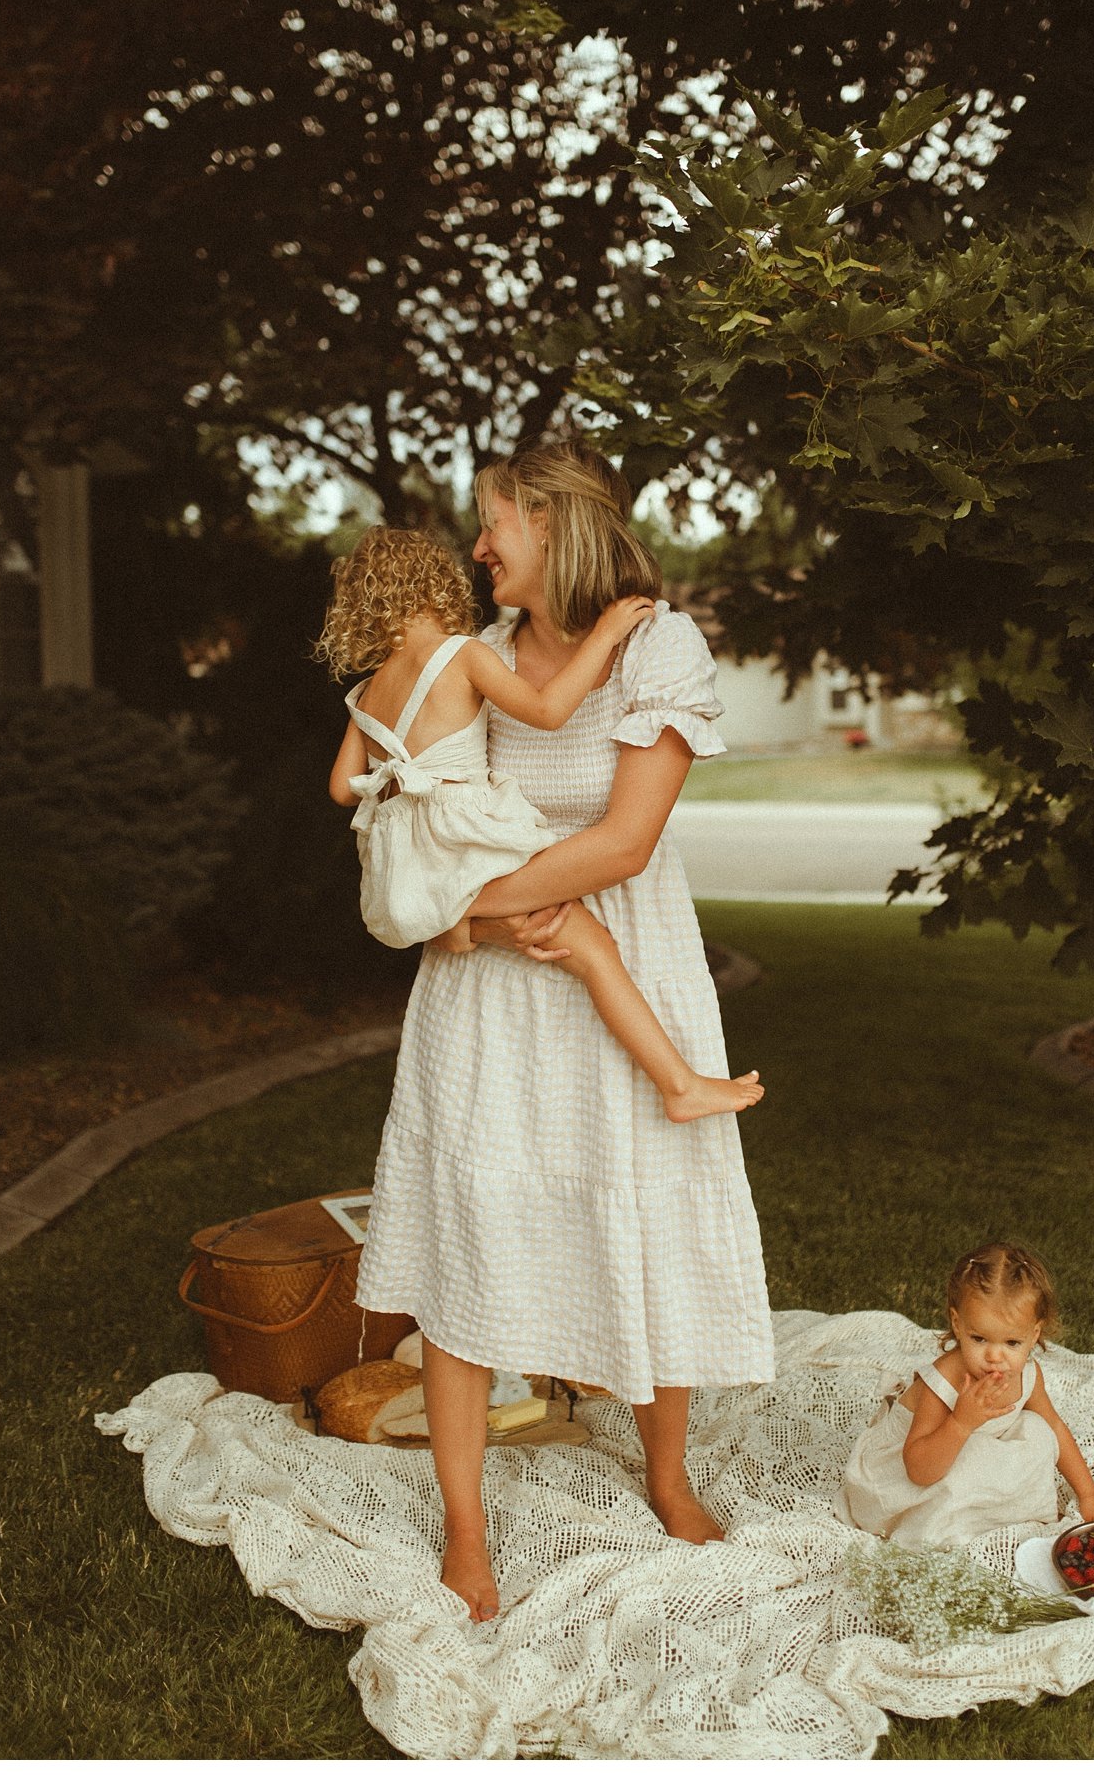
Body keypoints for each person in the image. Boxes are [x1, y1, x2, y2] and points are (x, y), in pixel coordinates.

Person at [351, 440, 777, 1621]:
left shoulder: (657, 646)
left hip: (617, 946)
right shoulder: (472, 658)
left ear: (552, 522)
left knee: (646, 1200)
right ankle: (466, 1529)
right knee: (466, 1228)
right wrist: (462, 914)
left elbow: (627, 840)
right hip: (485, 982)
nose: (477, 546)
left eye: (494, 524)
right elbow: (413, 813)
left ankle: (666, 1472)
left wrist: (466, 904)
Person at [319, 525, 765, 1126]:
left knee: (532, 936)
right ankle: (679, 1083)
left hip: (413, 855)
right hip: (465, 840)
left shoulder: (367, 691)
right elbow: (549, 711)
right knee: (594, 950)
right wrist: (604, 635)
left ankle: (458, 922)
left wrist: (406, 774)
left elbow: (344, 789)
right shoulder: (466, 653)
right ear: (434, 586)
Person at [841, 1240, 1094, 1547]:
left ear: (1033, 1335)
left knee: (1039, 1432)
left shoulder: (1028, 1376)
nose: (995, 1357)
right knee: (964, 1464)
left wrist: (1088, 1497)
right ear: (958, 1324)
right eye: (979, 1338)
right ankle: (950, 1527)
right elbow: (918, 1471)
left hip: (972, 1449)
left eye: (1012, 1343)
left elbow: (1057, 1429)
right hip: (916, 1467)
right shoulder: (943, 1382)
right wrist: (960, 1423)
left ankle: (1000, 1510)